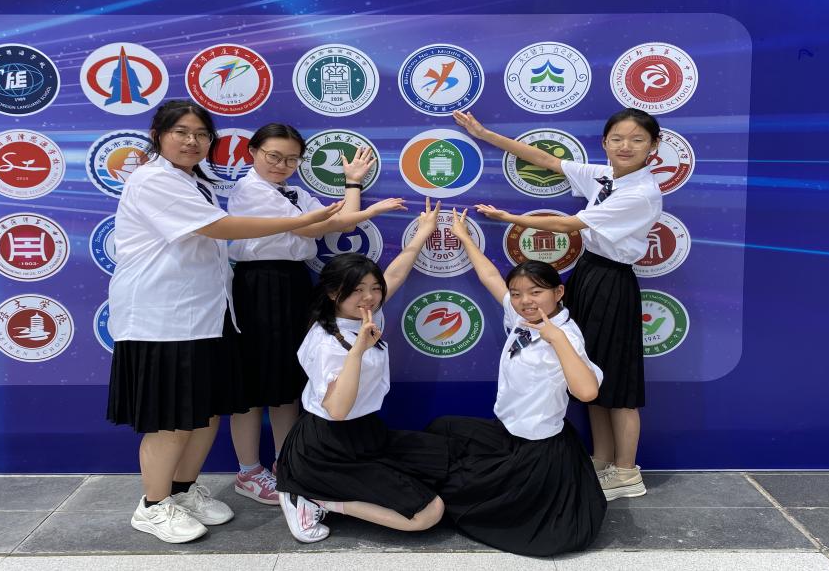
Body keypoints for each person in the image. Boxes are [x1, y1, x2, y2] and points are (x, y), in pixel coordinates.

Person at [106, 100, 341, 544]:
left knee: (204, 412)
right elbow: (220, 229)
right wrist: (300, 220)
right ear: (158, 135)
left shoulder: (196, 182)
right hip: (162, 317)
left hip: (206, 315)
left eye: (201, 134)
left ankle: (183, 490)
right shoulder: (154, 179)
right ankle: (153, 506)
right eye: (181, 132)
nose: (192, 141)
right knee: (171, 419)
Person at [452, 108, 662, 500]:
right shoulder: (606, 175)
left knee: (619, 383)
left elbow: (568, 226)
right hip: (588, 273)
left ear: (654, 145)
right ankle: (602, 461)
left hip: (612, 283)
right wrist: (483, 133)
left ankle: (627, 473)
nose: (625, 146)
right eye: (617, 138)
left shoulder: (641, 192)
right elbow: (547, 160)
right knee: (588, 370)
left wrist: (509, 217)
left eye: (637, 140)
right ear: (605, 142)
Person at [225, 123, 406, 505]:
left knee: (288, 381)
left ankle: (287, 463)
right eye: (274, 156)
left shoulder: (296, 193)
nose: (282, 165)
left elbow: (342, 221)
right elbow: (316, 228)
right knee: (253, 384)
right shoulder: (250, 190)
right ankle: (248, 472)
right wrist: (372, 208)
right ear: (252, 152)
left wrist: (352, 183)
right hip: (258, 286)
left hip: (293, 282)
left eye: (291, 159)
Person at [426, 208, 606, 556]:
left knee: (476, 505)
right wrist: (464, 238)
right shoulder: (525, 316)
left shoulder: (566, 335)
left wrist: (557, 340)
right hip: (507, 433)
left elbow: (587, 392)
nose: (524, 301)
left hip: (538, 448)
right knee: (442, 430)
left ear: (559, 292)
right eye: (517, 293)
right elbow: (490, 277)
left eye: (535, 292)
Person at [275, 199, 450, 543]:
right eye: (357, 290)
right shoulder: (327, 343)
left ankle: (316, 490)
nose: (369, 297)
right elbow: (338, 410)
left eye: (374, 288)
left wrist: (423, 232)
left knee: (445, 462)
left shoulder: (363, 315)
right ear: (332, 293)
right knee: (427, 514)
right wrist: (357, 352)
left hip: (366, 434)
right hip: (326, 448)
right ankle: (313, 497)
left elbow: (395, 273)